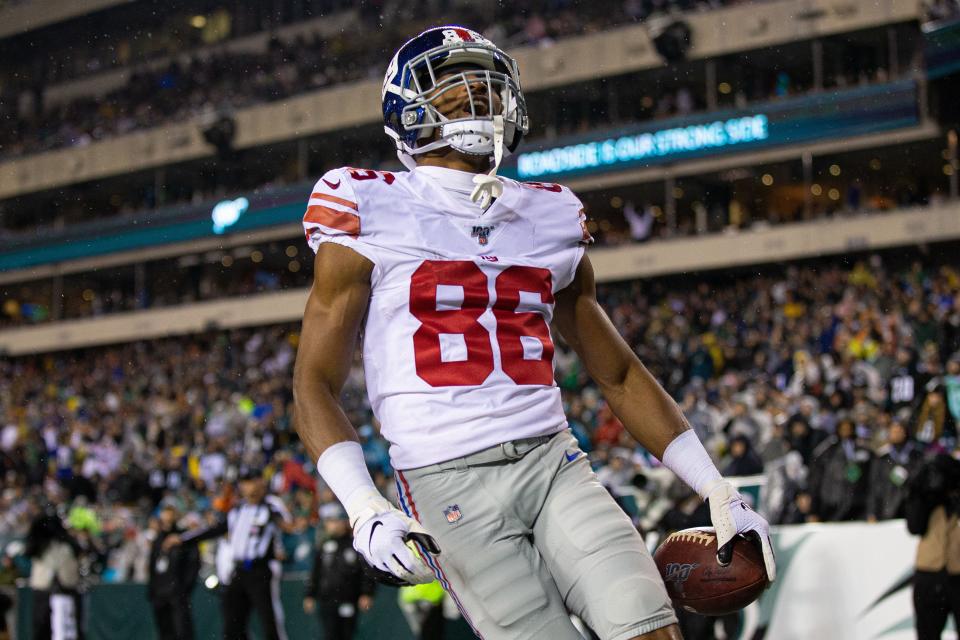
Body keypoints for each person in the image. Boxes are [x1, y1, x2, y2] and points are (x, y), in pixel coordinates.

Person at [293, 25, 775, 640]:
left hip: (554, 463)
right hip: (445, 481)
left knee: (651, 630)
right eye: (454, 89)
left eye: (489, 89)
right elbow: (314, 383)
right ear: (404, 110)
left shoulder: (550, 214)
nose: (479, 100)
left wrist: (715, 487)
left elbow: (620, 373)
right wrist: (363, 509)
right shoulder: (366, 203)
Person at [164, 470, 291, 640]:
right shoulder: (237, 511)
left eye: (251, 481)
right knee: (232, 621)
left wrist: (283, 523)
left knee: (269, 620)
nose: (248, 486)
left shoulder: (270, 506)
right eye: (245, 482)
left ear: (261, 482)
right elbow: (212, 530)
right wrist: (182, 539)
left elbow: (285, 523)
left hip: (260, 570)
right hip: (238, 570)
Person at [905, 452, 960, 640]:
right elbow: (914, 526)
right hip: (928, 573)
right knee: (927, 634)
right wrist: (925, 494)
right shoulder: (924, 492)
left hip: (957, 573)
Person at [303, 503, 375, 640]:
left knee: (347, 634)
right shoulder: (323, 546)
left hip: (349, 598)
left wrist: (367, 593)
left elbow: (366, 572)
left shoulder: (356, 545)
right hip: (327, 600)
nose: (332, 525)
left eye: (335, 520)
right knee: (329, 634)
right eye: (329, 521)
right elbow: (316, 572)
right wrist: (310, 595)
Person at [147, 500, 200, 640]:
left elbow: (193, 564)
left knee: (182, 630)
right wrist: (153, 590)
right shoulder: (158, 538)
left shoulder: (184, 537)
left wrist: (184, 589)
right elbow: (153, 565)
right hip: (160, 592)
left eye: (170, 512)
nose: (167, 517)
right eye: (165, 512)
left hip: (177, 592)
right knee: (164, 631)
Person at [25, 513, 82, 640]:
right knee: (42, 627)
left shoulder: (67, 545)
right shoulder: (40, 546)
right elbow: (29, 551)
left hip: (66, 588)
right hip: (43, 590)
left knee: (69, 628)